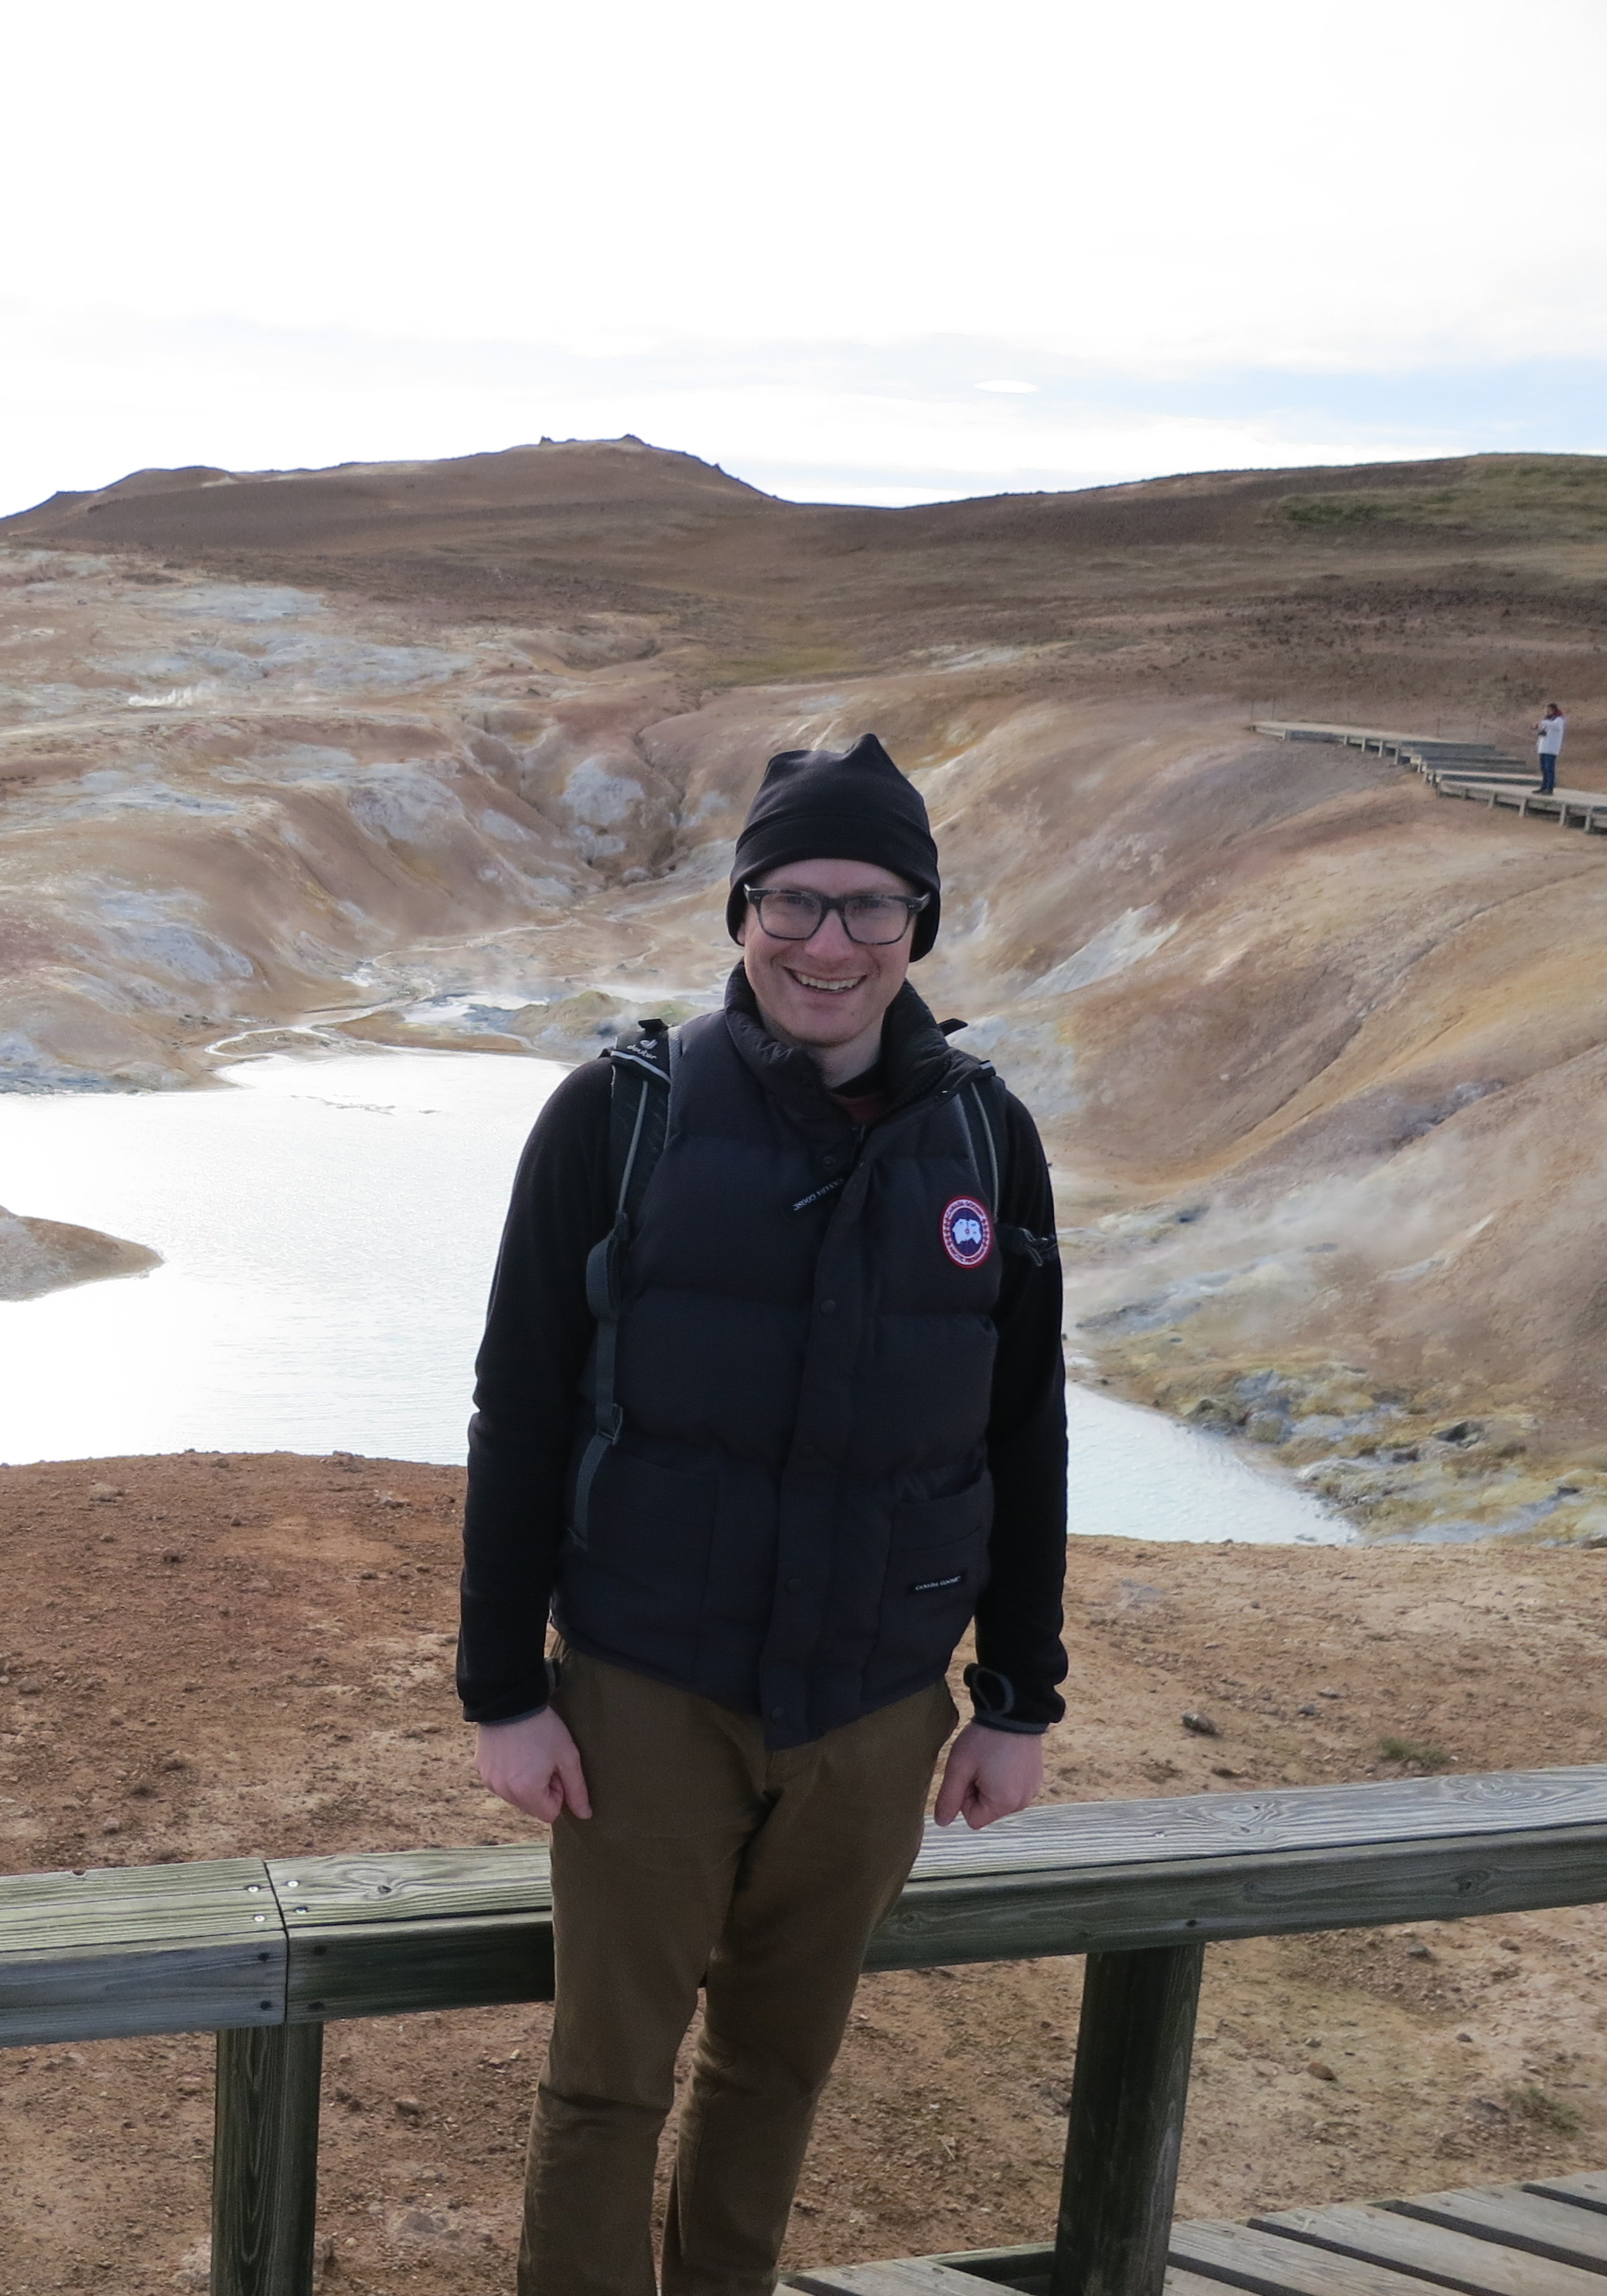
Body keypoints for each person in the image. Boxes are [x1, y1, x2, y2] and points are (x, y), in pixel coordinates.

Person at [459, 732, 1067, 2296]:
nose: (828, 943)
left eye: (872, 907)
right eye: (792, 901)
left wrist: (1016, 1699)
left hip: (873, 1713)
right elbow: (518, 1409)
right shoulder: (618, 1115)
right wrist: (502, 1691)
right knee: (606, 2085)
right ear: (741, 913)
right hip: (648, 1696)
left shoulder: (988, 1138)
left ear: (918, 927)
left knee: (777, 2071)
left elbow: (1021, 1432)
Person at [1536, 702, 1566, 794]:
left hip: (1551, 748)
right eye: (1546, 711)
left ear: (1554, 711)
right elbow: (1543, 731)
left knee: (1549, 768)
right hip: (1543, 747)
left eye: (1549, 711)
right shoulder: (1547, 720)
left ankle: (1550, 788)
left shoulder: (1559, 720)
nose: (1547, 712)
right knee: (1543, 768)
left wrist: (1543, 723)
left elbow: (1555, 726)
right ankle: (1544, 787)